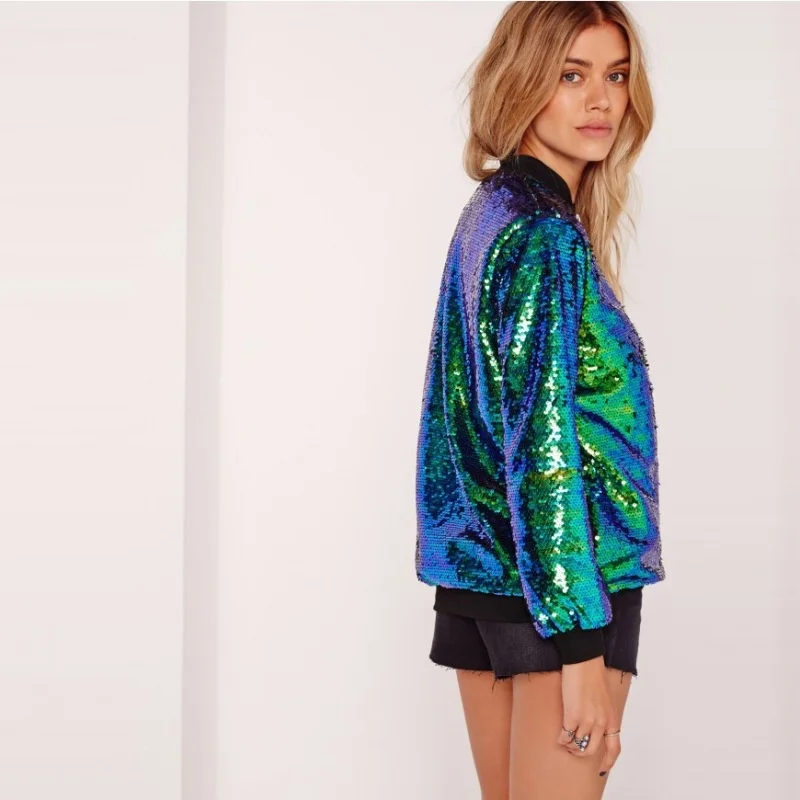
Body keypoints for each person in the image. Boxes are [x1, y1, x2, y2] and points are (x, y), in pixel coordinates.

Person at [414, 2, 666, 797]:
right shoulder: (543, 234)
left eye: (615, 76)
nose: (600, 100)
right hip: (564, 595)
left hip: (486, 579)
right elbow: (543, 443)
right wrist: (582, 644)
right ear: (524, 81)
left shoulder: (493, 212)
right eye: (571, 75)